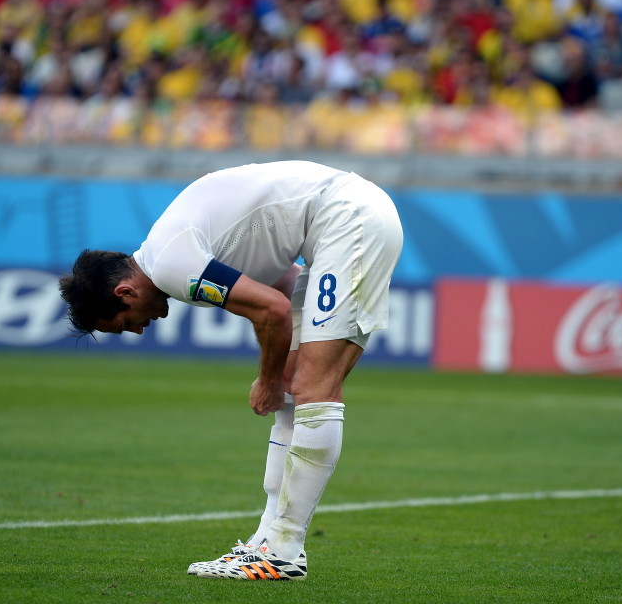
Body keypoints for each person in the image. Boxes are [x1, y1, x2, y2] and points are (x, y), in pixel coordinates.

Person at [58, 160, 403, 581]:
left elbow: (273, 311)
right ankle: (267, 540)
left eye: (126, 323)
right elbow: (284, 285)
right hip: (342, 222)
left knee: (312, 387)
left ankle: (284, 550)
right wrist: (281, 377)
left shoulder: (170, 266)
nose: (138, 329)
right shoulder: (170, 253)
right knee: (298, 389)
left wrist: (268, 379)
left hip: (348, 220)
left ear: (124, 291)